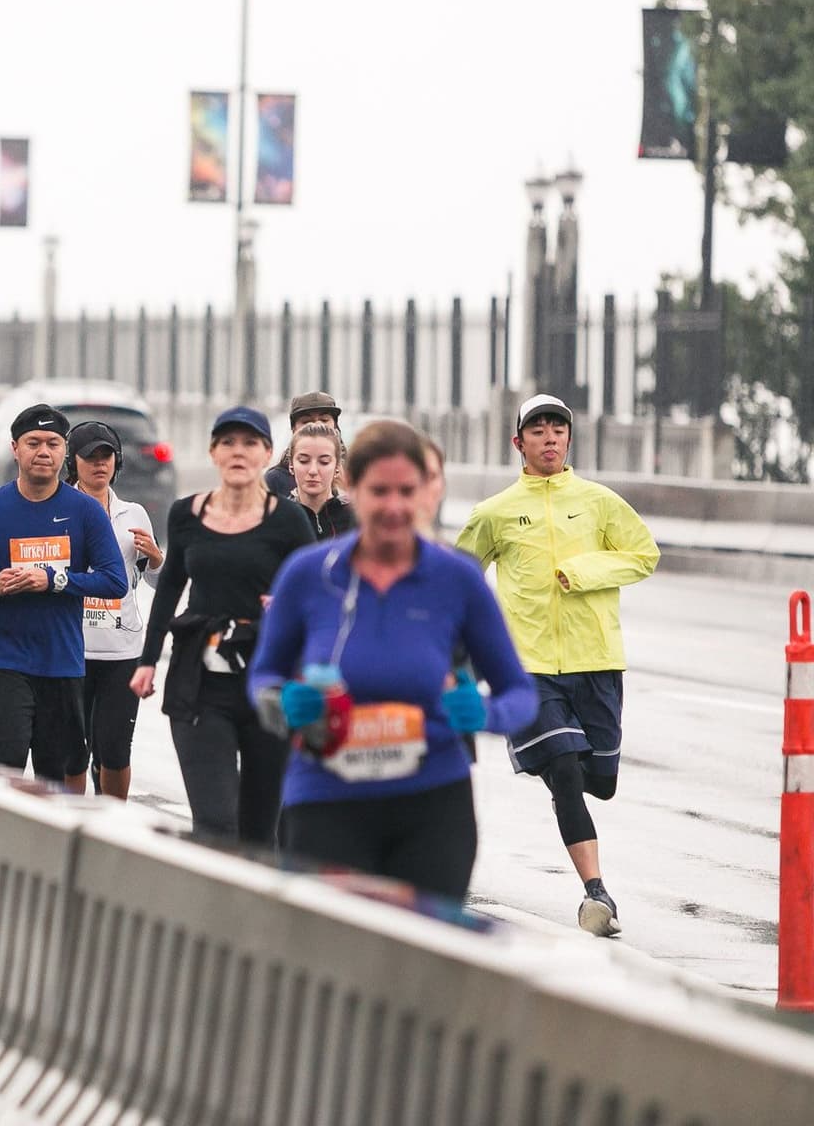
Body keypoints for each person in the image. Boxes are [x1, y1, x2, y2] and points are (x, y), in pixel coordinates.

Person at [249, 419, 540, 903]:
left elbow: (520, 691)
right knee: (335, 960)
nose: (393, 506)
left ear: (427, 492)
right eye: (378, 490)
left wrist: (486, 713)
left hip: (430, 804)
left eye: (407, 491)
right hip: (326, 798)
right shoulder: (308, 575)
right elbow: (264, 676)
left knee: (420, 964)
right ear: (352, 488)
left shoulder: (457, 579)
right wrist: (281, 702)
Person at [454, 393, 660, 936]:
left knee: (599, 779)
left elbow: (644, 554)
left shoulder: (598, 502)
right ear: (518, 442)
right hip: (527, 669)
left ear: (569, 440)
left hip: (596, 661)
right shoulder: (494, 513)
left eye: (558, 429)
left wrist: (583, 570)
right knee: (565, 772)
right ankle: (597, 895)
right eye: (538, 430)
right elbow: (458, 577)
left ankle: (576, 797)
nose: (549, 437)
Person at [131, 406, 317, 844]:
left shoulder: (289, 521)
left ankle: (257, 912)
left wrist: (286, 607)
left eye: (250, 443)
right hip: (200, 683)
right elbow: (170, 588)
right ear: (213, 452)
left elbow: (316, 596)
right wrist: (146, 662)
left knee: (259, 832)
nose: (239, 452)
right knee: (215, 824)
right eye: (228, 443)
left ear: (269, 454)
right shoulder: (185, 515)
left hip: (268, 684)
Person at [0, 404, 128, 789]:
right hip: (3, 655)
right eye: (33, 443)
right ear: (15, 449)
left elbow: (114, 581)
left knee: (52, 772)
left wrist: (56, 580)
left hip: (60, 660)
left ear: (64, 453)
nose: (43, 452)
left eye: (53, 443)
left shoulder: (84, 511)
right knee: (9, 761)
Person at [66, 420, 164, 800]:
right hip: (71, 646)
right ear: (74, 462)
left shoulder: (134, 514)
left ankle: (112, 823)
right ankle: (68, 822)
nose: (99, 464)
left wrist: (156, 559)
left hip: (122, 648)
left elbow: (157, 580)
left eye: (106, 456)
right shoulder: (59, 508)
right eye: (90, 457)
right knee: (73, 750)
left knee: (116, 750)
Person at [285, 421, 356, 539]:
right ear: (291, 465)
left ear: (337, 467)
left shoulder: (354, 517)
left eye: (324, 462)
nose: (313, 471)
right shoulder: (278, 518)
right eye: (303, 461)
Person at [265, 391, 342, 496]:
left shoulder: (352, 474)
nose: (316, 426)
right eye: (306, 421)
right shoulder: (275, 480)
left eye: (324, 420)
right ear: (293, 429)